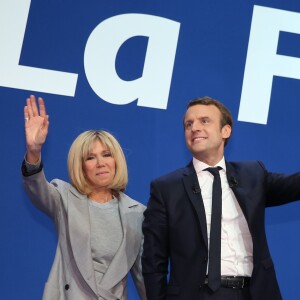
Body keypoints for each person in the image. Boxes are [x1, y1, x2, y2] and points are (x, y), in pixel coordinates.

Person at [142, 96, 300, 300]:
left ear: (226, 131)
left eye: (204, 121)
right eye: (188, 124)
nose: (194, 128)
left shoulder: (253, 174)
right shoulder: (166, 188)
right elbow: (153, 261)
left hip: (254, 293)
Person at [22, 95, 147, 300]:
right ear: (80, 166)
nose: (100, 163)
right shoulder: (64, 197)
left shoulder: (138, 213)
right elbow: (36, 189)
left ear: (116, 160)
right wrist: (33, 151)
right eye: (90, 157)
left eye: (106, 155)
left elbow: (143, 276)